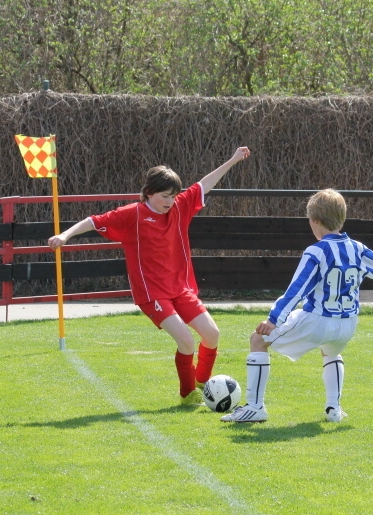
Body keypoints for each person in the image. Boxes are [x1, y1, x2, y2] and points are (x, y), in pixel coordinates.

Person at [48, 147, 251, 399]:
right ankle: (189, 395)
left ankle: (202, 383)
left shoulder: (179, 207)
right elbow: (93, 220)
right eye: (165, 196)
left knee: (212, 335)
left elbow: (204, 184)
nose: (170, 201)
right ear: (148, 193)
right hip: (152, 292)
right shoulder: (132, 214)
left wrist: (231, 160)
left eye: (174, 196)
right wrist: (64, 235)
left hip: (180, 288)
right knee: (186, 342)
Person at [221, 188, 373, 423]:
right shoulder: (357, 248)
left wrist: (273, 319)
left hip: (318, 319)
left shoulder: (316, 251)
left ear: (315, 220)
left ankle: (255, 407)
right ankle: (334, 410)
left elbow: (296, 290)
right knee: (331, 351)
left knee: (257, 340)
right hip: (348, 324)